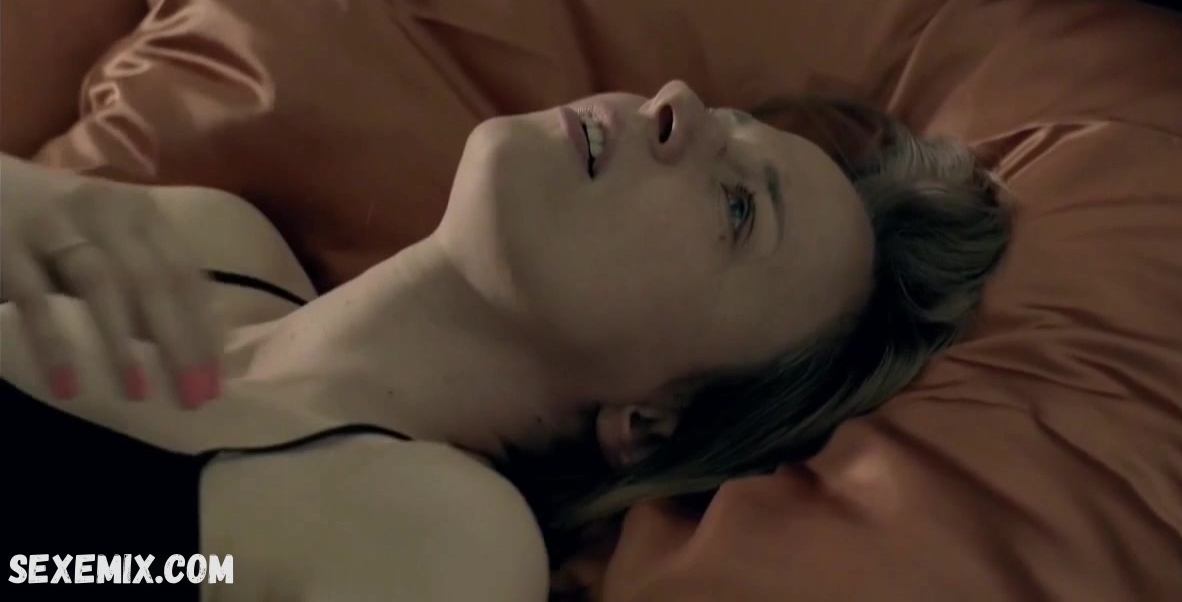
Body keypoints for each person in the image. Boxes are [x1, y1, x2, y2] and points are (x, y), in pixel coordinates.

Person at [0, 81, 1011, 601]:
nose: (676, 106)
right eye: (728, 118)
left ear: (652, 423)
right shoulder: (207, 238)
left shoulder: (438, 540)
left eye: (740, 207)